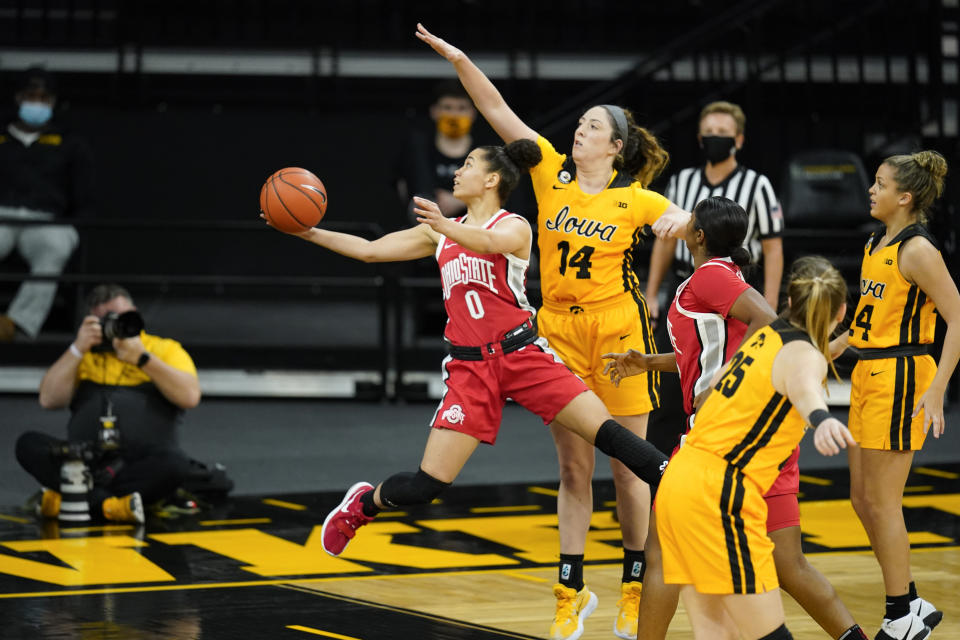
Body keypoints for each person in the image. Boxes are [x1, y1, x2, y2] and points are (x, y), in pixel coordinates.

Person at [262, 140, 672, 592]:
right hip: (470, 369)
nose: (457, 172)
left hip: (523, 356)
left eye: (468, 165)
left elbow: (488, 241)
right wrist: (304, 231)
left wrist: (443, 226)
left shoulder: (514, 226)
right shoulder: (440, 232)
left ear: (492, 180)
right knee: (425, 486)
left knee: (610, 434)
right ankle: (363, 505)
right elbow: (370, 251)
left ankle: (683, 480)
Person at [416, 24, 691, 640]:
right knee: (572, 470)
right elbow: (494, 108)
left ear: (616, 146)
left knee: (627, 471)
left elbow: (678, 221)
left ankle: (630, 586)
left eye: (594, 125)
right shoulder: (547, 170)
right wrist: (462, 58)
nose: (581, 130)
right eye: (583, 123)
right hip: (557, 333)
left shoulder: (639, 200)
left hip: (619, 334)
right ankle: (570, 589)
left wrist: (684, 224)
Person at [603, 199, 868, 640]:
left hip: (724, 438)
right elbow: (707, 352)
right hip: (767, 442)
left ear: (700, 236)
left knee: (665, 558)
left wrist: (734, 386)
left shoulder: (711, 276)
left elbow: (772, 326)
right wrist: (648, 362)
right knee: (789, 565)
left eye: (691, 220)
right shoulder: (721, 277)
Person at [655, 256, 858, 640]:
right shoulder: (804, 356)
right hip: (720, 494)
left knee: (716, 632)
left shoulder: (764, 336)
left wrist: (846, 340)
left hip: (681, 481)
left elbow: (798, 362)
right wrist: (822, 418)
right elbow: (805, 384)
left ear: (789, 300)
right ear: (842, 310)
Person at [830, 150, 957, 640]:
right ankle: (912, 601)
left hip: (904, 374)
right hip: (869, 373)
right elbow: (866, 321)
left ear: (904, 198)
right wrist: (829, 348)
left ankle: (900, 612)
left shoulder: (918, 250)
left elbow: (958, 316)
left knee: (884, 503)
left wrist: (938, 388)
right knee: (862, 499)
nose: (871, 190)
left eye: (879, 184)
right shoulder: (875, 242)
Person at [15, 284, 201, 523]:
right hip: (85, 462)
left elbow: (190, 396)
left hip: (140, 463)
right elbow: (49, 400)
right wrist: (77, 348)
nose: (115, 327)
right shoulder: (83, 354)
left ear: (135, 313)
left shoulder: (163, 349)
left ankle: (73, 499)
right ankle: (109, 505)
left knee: (175, 464)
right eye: (106, 321)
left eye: (122, 318)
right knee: (29, 444)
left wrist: (143, 359)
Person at [645, 101, 784, 321]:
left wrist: (770, 302)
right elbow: (666, 240)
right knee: (677, 353)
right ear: (700, 140)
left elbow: (773, 248)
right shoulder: (682, 181)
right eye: (708, 132)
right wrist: (651, 294)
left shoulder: (758, 184)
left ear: (738, 140)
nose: (714, 136)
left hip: (735, 286)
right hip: (684, 281)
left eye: (722, 132)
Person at [0, 66, 94, 341]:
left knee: (55, 247)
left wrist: (74, 228)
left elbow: (84, 195)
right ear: (18, 98)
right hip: (1, 216)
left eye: (44, 98)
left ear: (53, 102)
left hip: (46, 219)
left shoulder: (69, 143)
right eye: (31, 96)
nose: (37, 103)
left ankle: (16, 324)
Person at [395, 80, 478, 222]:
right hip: (423, 229)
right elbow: (402, 187)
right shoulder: (417, 149)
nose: (454, 115)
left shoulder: (485, 154)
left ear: (472, 113)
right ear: (434, 112)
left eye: (461, 108)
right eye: (447, 107)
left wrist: (461, 201)